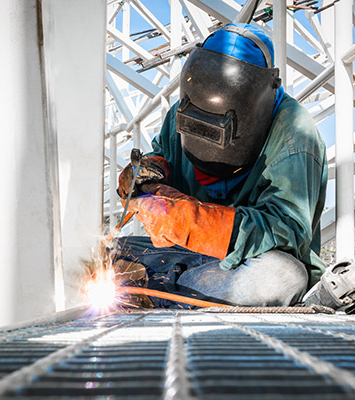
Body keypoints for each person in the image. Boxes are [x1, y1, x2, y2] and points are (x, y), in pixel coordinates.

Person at [114, 23, 328, 309]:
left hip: (247, 262)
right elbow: (164, 152)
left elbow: (287, 232)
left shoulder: (295, 137)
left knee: (281, 278)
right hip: (184, 256)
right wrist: (149, 174)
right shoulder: (181, 114)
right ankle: (172, 287)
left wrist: (195, 223)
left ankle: (155, 288)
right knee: (108, 252)